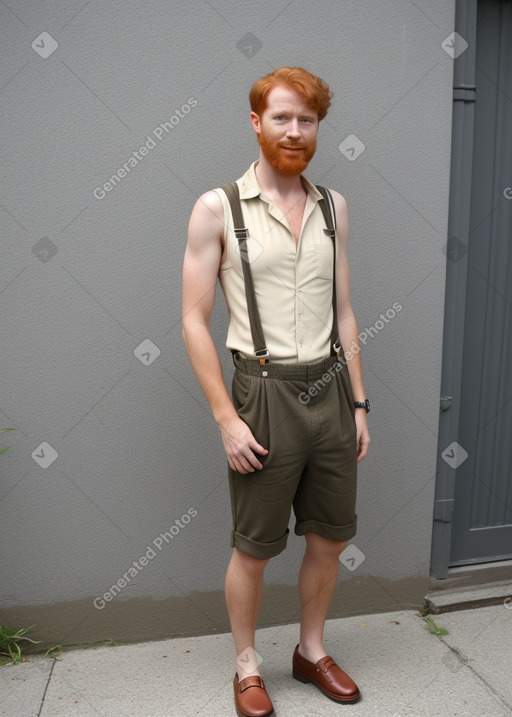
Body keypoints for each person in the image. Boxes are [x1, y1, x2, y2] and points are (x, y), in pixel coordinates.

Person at [182, 66, 370, 717]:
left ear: (318, 127)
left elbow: (346, 312)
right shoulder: (217, 208)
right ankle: (245, 665)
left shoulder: (333, 208)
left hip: (331, 387)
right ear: (257, 122)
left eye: (307, 120)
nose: (295, 130)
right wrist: (226, 418)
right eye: (282, 117)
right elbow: (191, 318)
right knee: (255, 547)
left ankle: (310, 650)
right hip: (261, 391)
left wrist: (360, 402)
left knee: (329, 536)